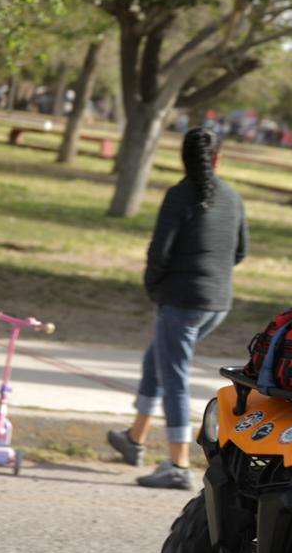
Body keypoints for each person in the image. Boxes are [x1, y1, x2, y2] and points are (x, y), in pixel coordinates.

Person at [107, 128, 249, 490]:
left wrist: (155, 288)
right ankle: (134, 439)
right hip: (217, 303)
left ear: (183, 158)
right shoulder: (232, 197)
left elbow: (159, 253)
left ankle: (178, 463)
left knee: (174, 377)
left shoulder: (178, 195)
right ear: (217, 158)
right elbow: (240, 251)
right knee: (156, 358)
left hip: (182, 302)